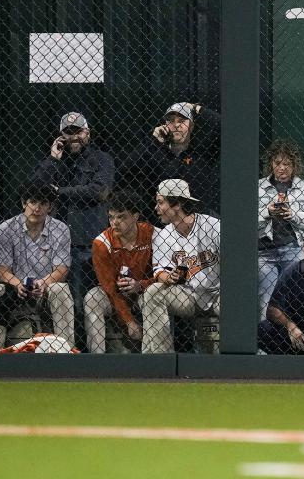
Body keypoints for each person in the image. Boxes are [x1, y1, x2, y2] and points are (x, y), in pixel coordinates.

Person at [32, 111, 115, 346]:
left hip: (88, 242)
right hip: (57, 247)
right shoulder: (57, 162)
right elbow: (36, 190)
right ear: (61, 136)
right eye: (68, 133)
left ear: (87, 132)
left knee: (84, 304)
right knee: (63, 304)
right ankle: (66, 351)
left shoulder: (101, 159)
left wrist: (59, 192)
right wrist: (52, 160)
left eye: (77, 131)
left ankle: (88, 356)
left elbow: (99, 191)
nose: (74, 137)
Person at [0, 182, 74, 351]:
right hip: (15, 288)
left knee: (61, 289)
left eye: (43, 203)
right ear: (23, 203)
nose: (37, 208)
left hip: (45, 289)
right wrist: (17, 284)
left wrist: (43, 283)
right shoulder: (6, 228)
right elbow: (1, 270)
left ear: (49, 207)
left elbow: (62, 270)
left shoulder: (60, 229)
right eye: (32, 202)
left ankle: (67, 350)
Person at [142, 179, 220, 354]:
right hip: (188, 296)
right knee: (153, 292)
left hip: (219, 295)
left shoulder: (213, 226)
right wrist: (169, 277)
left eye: (161, 202)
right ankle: (162, 358)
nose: (156, 208)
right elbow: (159, 270)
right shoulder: (163, 236)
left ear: (176, 204)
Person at [257, 139, 304, 320]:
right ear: (271, 163)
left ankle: (294, 343)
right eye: (277, 163)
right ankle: (266, 346)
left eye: (287, 164)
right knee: (266, 303)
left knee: (295, 299)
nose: (282, 168)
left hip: (294, 249)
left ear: (295, 165)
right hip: (264, 253)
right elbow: (241, 221)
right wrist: (267, 212)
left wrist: (294, 215)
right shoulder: (257, 188)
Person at [84, 189, 155, 353]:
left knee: (155, 295)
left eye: (121, 217)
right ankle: (97, 360)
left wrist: (141, 285)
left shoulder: (153, 234)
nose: (114, 222)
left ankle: (153, 356)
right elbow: (109, 288)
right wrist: (129, 321)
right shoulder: (101, 243)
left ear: (135, 216)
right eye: (111, 217)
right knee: (92, 298)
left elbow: (161, 276)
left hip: (144, 291)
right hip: (114, 294)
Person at [121, 102, 220, 216]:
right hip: (162, 221)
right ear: (165, 126)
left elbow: (224, 125)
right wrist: (152, 141)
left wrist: (195, 107)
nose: (176, 125)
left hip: (198, 218)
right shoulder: (155, 151)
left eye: (182, 121)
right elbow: (125, 169)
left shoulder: (201, 151)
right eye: (171, 121)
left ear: (191, 126)